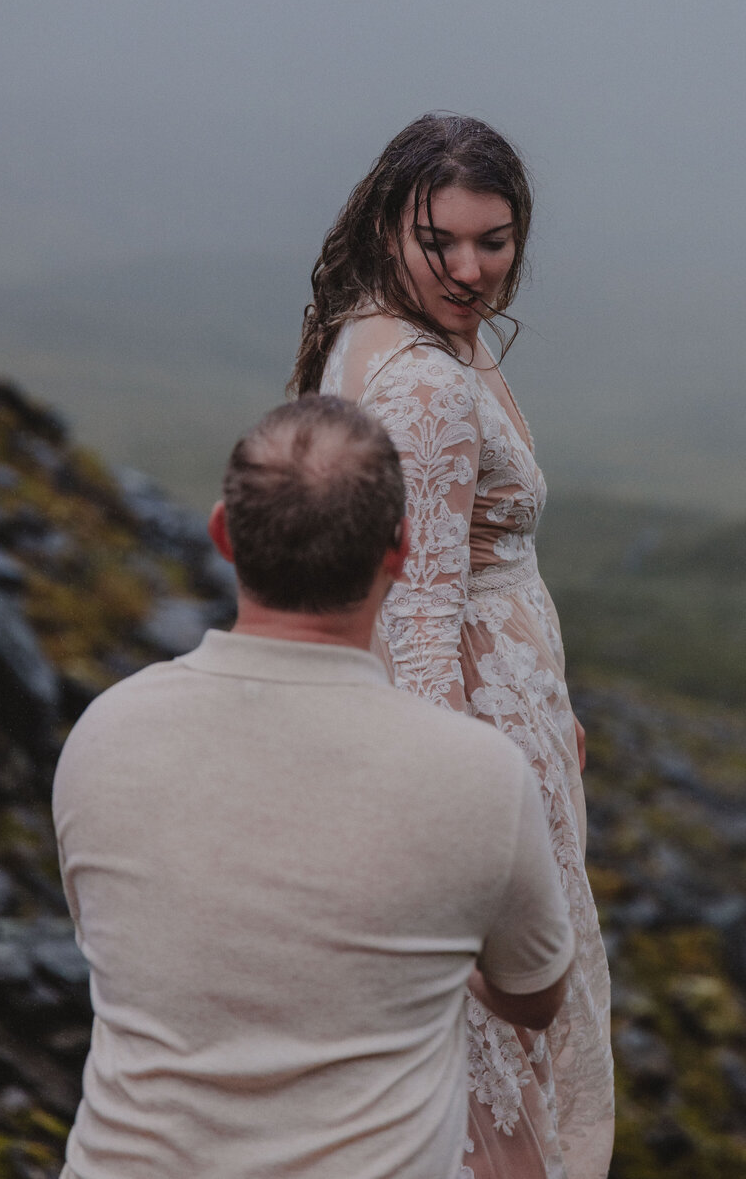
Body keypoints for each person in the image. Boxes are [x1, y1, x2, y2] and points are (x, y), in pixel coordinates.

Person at [53, 395, 574, 1179]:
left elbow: (111, 936)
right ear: (400, 547)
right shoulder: (479, 776)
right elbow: (535, 994)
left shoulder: (102, 733)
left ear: (224, 535)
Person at [290, 114, 615, 1178]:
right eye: (442, 241)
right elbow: (417, 609)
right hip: (472, 741)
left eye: (495, 238)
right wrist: (458, 816)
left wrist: (550, 707)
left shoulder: (379, 325)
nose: (470, 269)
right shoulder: (424, 379)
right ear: (390, 222)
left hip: (510, 721)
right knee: (494, 1067)